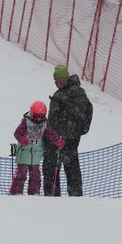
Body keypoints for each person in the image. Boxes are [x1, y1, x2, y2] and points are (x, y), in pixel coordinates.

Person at [42, 65, 90, 197]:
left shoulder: (78, 92)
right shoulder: (58, 94)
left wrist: (64, 103)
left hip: (70, 138)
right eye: (55, 80)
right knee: (51, 167)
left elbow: (79, 113)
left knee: (71, 167)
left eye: (58, 79)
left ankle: (75, 195)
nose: (56, 82)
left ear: (65, 78)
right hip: (55, 138)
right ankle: (51, 194)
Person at [9, 101, 65, 195]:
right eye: (36, 116)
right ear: (31, 113)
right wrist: (22, 140)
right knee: (21, 174)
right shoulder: (26, 122)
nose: (39, 119)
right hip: (24, 151)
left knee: (35, 175)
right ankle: (16, 192)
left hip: (36, 152)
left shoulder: (45, 124)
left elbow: (51, 134)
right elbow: (17, 133)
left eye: (41, 116)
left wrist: (57, 141)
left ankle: (34, 193)